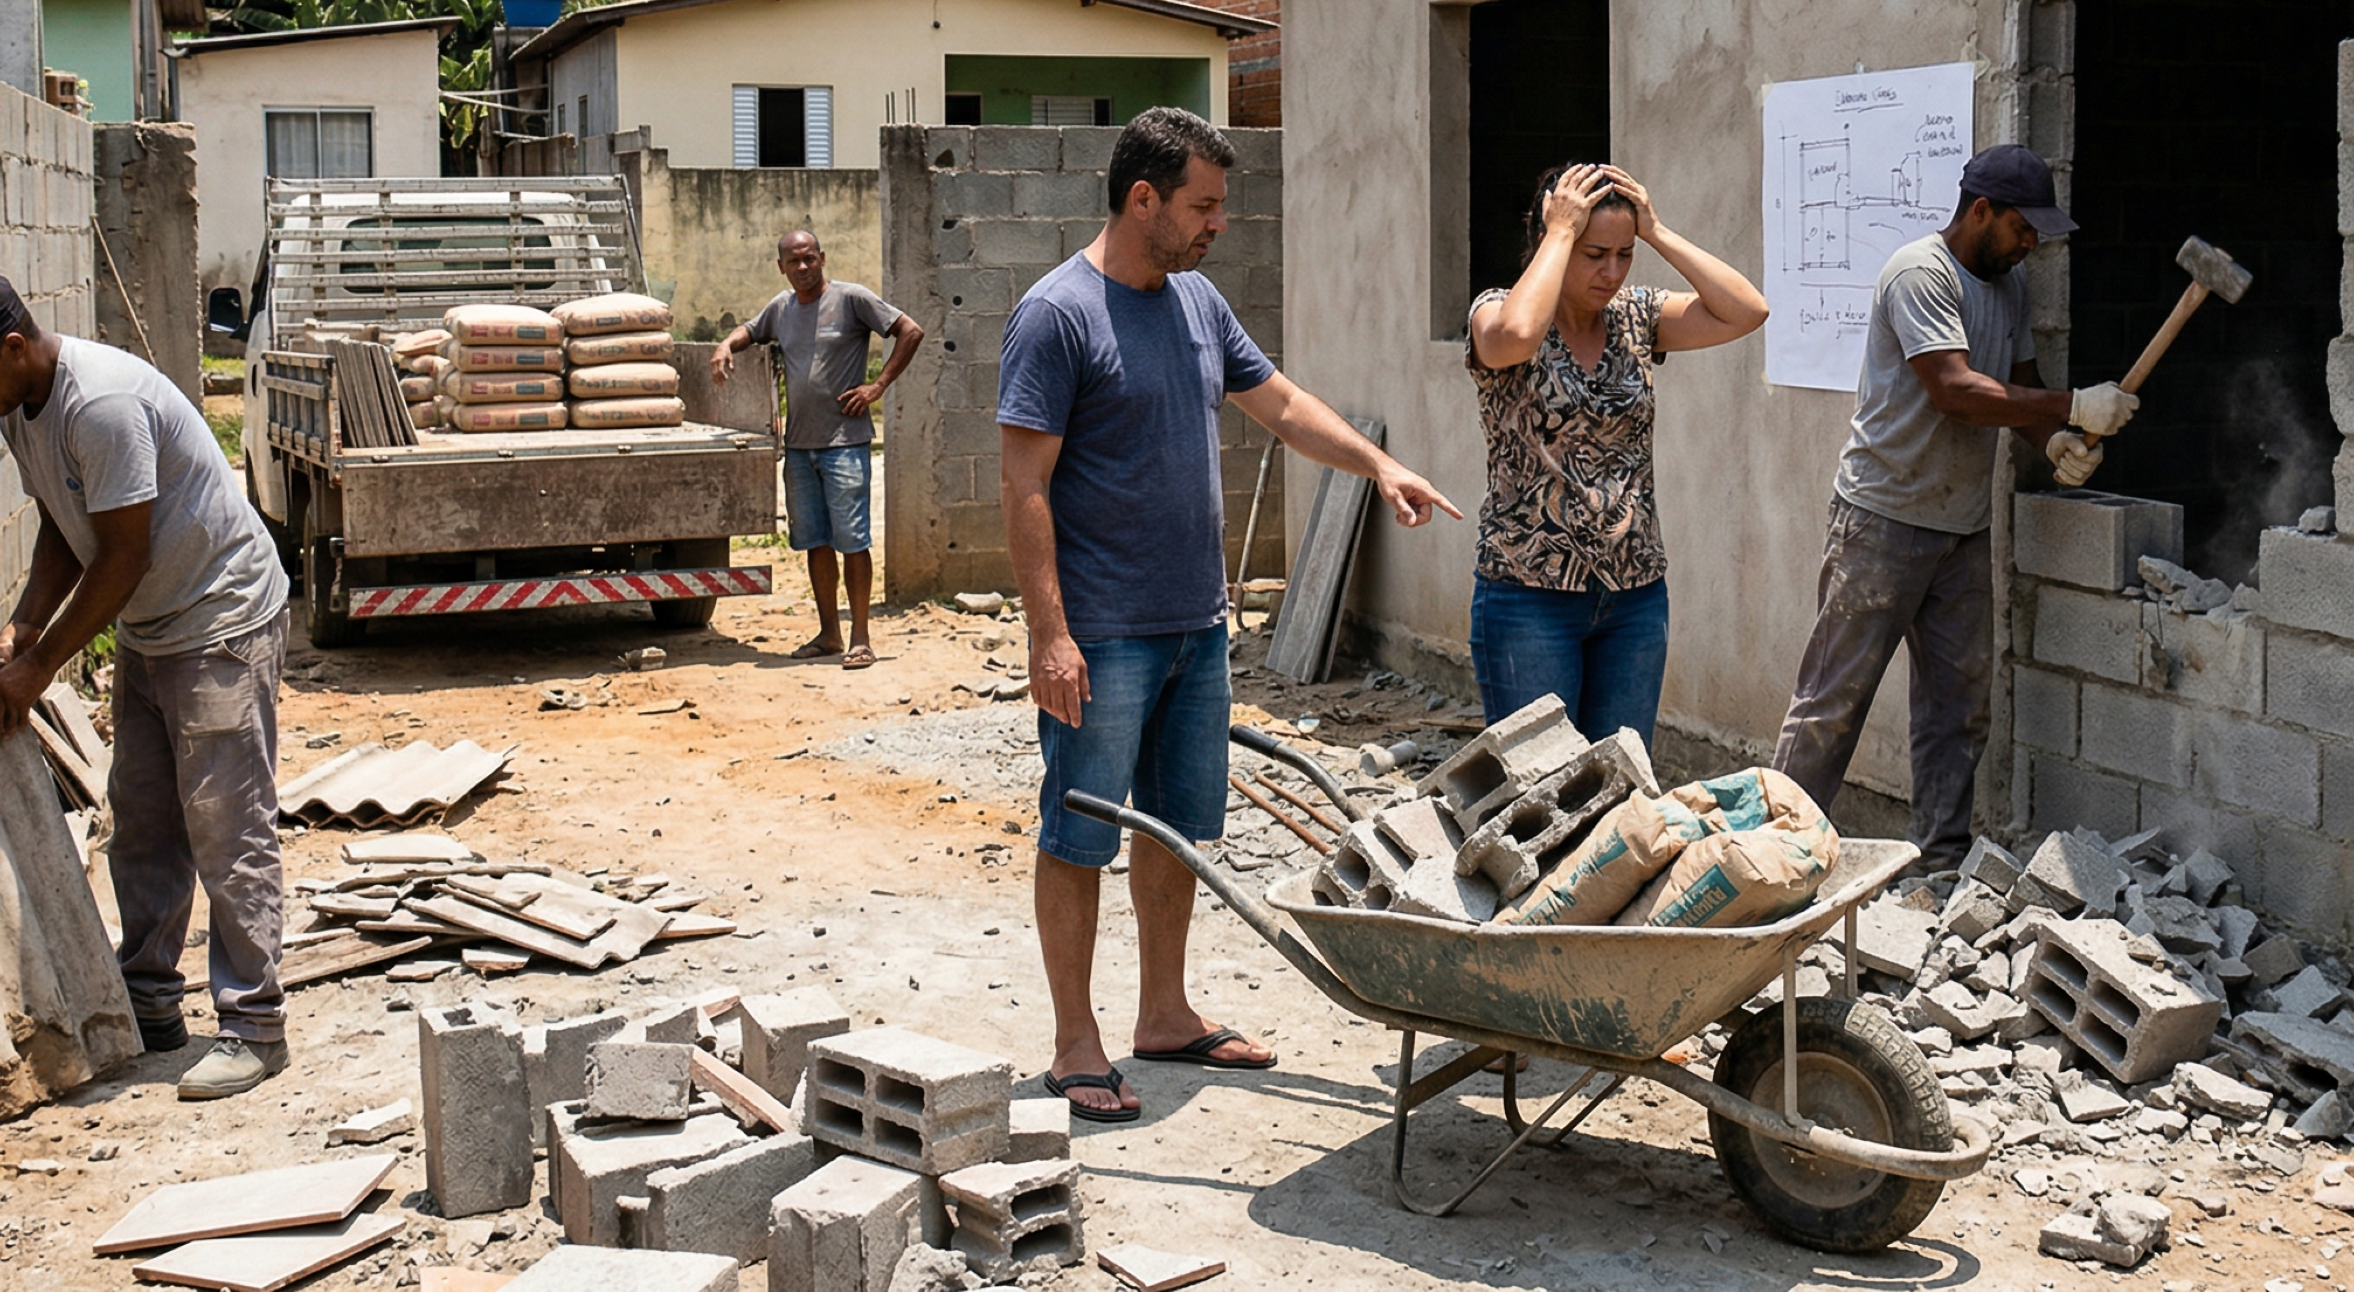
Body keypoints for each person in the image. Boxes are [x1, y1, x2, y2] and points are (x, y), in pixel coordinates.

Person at [999, 107, 1458, 1122]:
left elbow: (1283, 407)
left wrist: (1378, 464)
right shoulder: (1057, 314)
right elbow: (1024, 485)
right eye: (1203, 206)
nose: (1219, 224)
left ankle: (1163, 1013)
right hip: (1104, 632)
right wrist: (1051, 634)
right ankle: (1075, 1041)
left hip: (1195, 626)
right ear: (1143, 199)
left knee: (1177, 829)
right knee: (1080, 831)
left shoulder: (1200, 304)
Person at [0, 273, 295, 1099]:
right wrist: (24, 621)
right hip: (156, 621)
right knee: (146, 821)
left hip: (219, 615)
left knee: (226, 823)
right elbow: (61, 518)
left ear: (13, 348)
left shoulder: (102, 406)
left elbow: (124, 555)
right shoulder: (21, 406)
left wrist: (40, 665)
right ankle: (151, 1002)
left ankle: (256, 1025)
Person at [1771, 145, 2139, 869]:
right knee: (1833, 703)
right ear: (1981, 212)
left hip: (1961, 530)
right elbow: (1955, 389)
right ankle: (1774, 856)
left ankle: (1937, 862)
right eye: (2022, 227)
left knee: (1958, 708)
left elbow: (2017, 385)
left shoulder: (2010, 286)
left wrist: (2054, 439)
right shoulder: (1919, 274)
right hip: (1881, 520)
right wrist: (2074, 403)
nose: (2032, 241)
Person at [1464, 163, 1771, 742]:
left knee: (1623, 791)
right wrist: (1559, 232)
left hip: (1633, 594)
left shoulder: (1636, 317)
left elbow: (1747, 311)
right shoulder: (1497, 310)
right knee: (1539, 791)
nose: (1611, 271)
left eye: (1624, 254)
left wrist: (1656, 231)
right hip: (1530, 596)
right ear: (1548, 237)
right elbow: (1517, 338)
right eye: (1593, 253)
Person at [712, 230, 924, 668]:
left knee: (853, 541)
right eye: (794, 261)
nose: (803, 267)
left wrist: (877, 386)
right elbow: (750, 331)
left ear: (822, 258)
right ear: (782, 267)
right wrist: (724, 346)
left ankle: (860, 638)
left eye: (810, 259)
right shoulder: (781, 308)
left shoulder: (851, 300)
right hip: (800, 447)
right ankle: (829, 634)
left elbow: (910, 330)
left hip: (844, 444)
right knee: (815, 543)